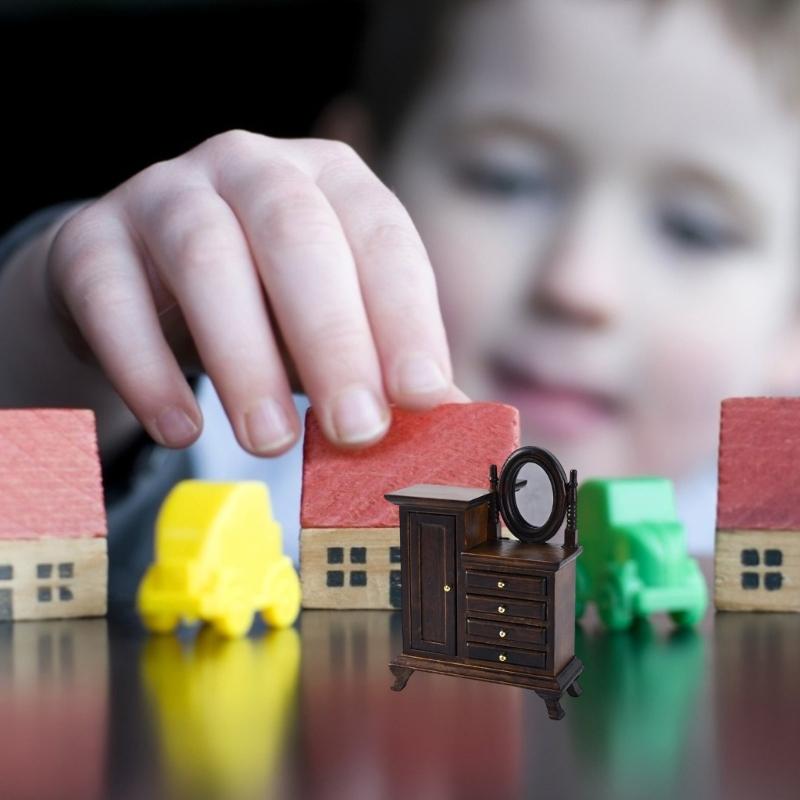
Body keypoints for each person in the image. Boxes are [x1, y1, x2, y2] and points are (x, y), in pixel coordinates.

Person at [1, 0, 798, 602]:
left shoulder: (773, 524)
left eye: (696, 230)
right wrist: (56, 338)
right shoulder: (230, 445)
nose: (580, 284)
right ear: (363, 177)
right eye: (506, 178)